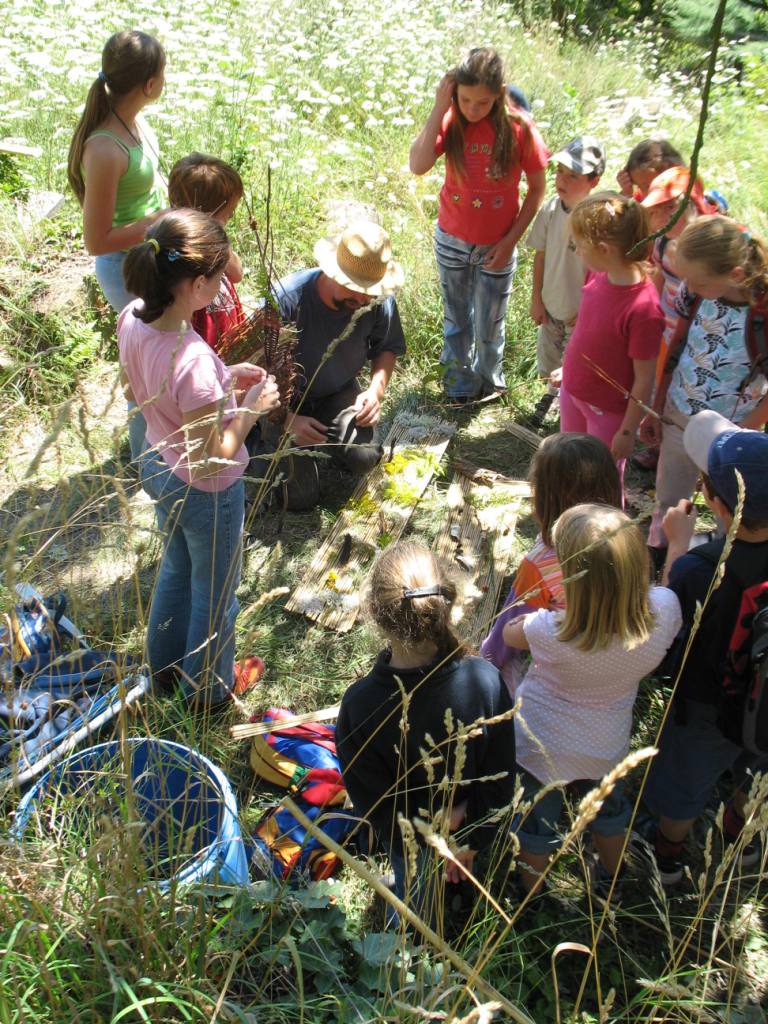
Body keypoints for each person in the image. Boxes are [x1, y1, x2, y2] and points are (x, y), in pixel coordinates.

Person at [118, 209, 280, 708]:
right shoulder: (192, 361)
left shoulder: (132, 316)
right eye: (219, 276)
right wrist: (249, 410)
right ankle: (208, 691)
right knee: (215, 594)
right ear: (195, 285)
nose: (225, 285)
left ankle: (163, 668)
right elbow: (213, 458)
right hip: (205, 491)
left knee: (177, 566)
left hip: (157, 463)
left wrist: (222, 378)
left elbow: (139, 389)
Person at [503, 504, 681, 894]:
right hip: (606, 744)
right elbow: (668, 592)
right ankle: (611, 877)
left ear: (573, 577)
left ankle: (531, 892)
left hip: (541, 747)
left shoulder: (552, 629)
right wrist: (678, 544)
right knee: (608, 808)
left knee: (537, 823)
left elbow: (509, 633)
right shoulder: (663, 614)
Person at [336, 541, 516, 920]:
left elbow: (374, 804)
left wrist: (428, 833)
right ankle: (457, 901)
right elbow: (501, 778)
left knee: (417, 907)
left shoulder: (360, 707)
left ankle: (416, 936)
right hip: (473, 828)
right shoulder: (485, 681)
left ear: (374, 612)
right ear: (445, 598)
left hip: (410, 845)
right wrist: (467, 834)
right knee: (458, 877)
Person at [643, 410, 768, 884]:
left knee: (686, 778)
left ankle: (667, 854)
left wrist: (677, 546)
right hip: (763, 697)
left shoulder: (699, 568)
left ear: (715, 502)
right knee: (760, 762)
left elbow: (665, 622)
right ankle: (742, 829)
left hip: (707, 704)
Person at [409, 47, 548, 401]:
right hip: (452, 240)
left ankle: (489, 382)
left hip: (497, 245)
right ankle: (458, 384)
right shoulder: (451, 120)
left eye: (482, 102)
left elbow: (537, 189)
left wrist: (510, 242)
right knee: (456, 319)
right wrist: (439, 106)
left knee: (490, 323)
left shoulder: (518, 128)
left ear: (499, 94)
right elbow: (418, 165)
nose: (472, 109)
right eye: (465, 99)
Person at [643, 216, 768, 557]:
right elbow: (677, 346)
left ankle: (724, 562)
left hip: (732, 432)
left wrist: (743, 432)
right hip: (679, 412)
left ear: (735, 275)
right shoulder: (694, 293)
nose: (688, 287)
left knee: (730, 506)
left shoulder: (761, 312)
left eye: (698, 282)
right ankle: (662, 553)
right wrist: (657, 406)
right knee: (670, 495)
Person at [266, 219, 405, 510]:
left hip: (337, 392)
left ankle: (325, 442)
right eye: (353, 289)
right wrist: (287, 419)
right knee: (299, 499)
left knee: (365, 458)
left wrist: (375, 392)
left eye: (369, 291)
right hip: (280, 404)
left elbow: (387, 347)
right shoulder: (286, 299)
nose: (363, 299)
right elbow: (254, 374)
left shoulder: (376, 299)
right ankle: (263, 444)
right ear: (332, 273)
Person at [480, 433, 621, 692]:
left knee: (504, 673)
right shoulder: (627, 540)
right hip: (617, 662)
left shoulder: (539, 565)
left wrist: (483, 663)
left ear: (544, 499)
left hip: (565, 670)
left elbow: (507, 635)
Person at [557, 192, 665, 493]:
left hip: (608, 412)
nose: (577, 252)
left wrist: (627, 432)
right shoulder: (598, 274)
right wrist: (569, 368)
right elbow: (587, 331)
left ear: (604, 249)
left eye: (579, 246)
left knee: (601, 482)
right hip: (573, 391)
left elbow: (644, 379)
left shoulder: (644, 309)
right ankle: (570, 514)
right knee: (570, 463)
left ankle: (601, 522)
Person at [67, 30, 167, 313]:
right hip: (125, 269)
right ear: (150, 84)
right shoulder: (105, 150)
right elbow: (97, 242)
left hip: (147, 252)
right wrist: (162, 219)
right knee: (151, 341)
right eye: (163, 73)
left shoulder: (136, 121)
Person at [632, 167, 714, 471]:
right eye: (655, 210)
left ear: (685, 207)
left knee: (691, 391)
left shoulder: (708, 248)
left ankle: (696, 455)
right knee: (661, 387)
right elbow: (658, 278)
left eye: (665, 209)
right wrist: (647, 315)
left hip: (699, 335)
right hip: (667, 330)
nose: (657, 217)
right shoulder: (662, 242)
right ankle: (658, 447)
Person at [526, 136, 605, 428]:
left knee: (573, 365)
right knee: (548, 362)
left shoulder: (597, 219)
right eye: (560, 171)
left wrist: (587, 312)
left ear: (594, 181)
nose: (562, 180)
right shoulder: (550, 209)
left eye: (573, 175)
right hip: (551, 305)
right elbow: (540, 255)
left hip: (580, 313)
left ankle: (568, 411)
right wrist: (537, 299)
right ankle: (550, 399)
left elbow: (603, 273)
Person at [168, 153, 246, 352]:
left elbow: (237, 274)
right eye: (229, 212)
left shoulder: (216, 240)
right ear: (209, 213)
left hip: (222, 321)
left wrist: (215, 235)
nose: (231, 216)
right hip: (202, 332)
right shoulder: (174, 250)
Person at [616, 138, 684, 201]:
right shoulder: (643, 199)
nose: (651, 191)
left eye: (660, 183)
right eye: (645, 187)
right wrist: (627, 193)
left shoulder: (686, 196)